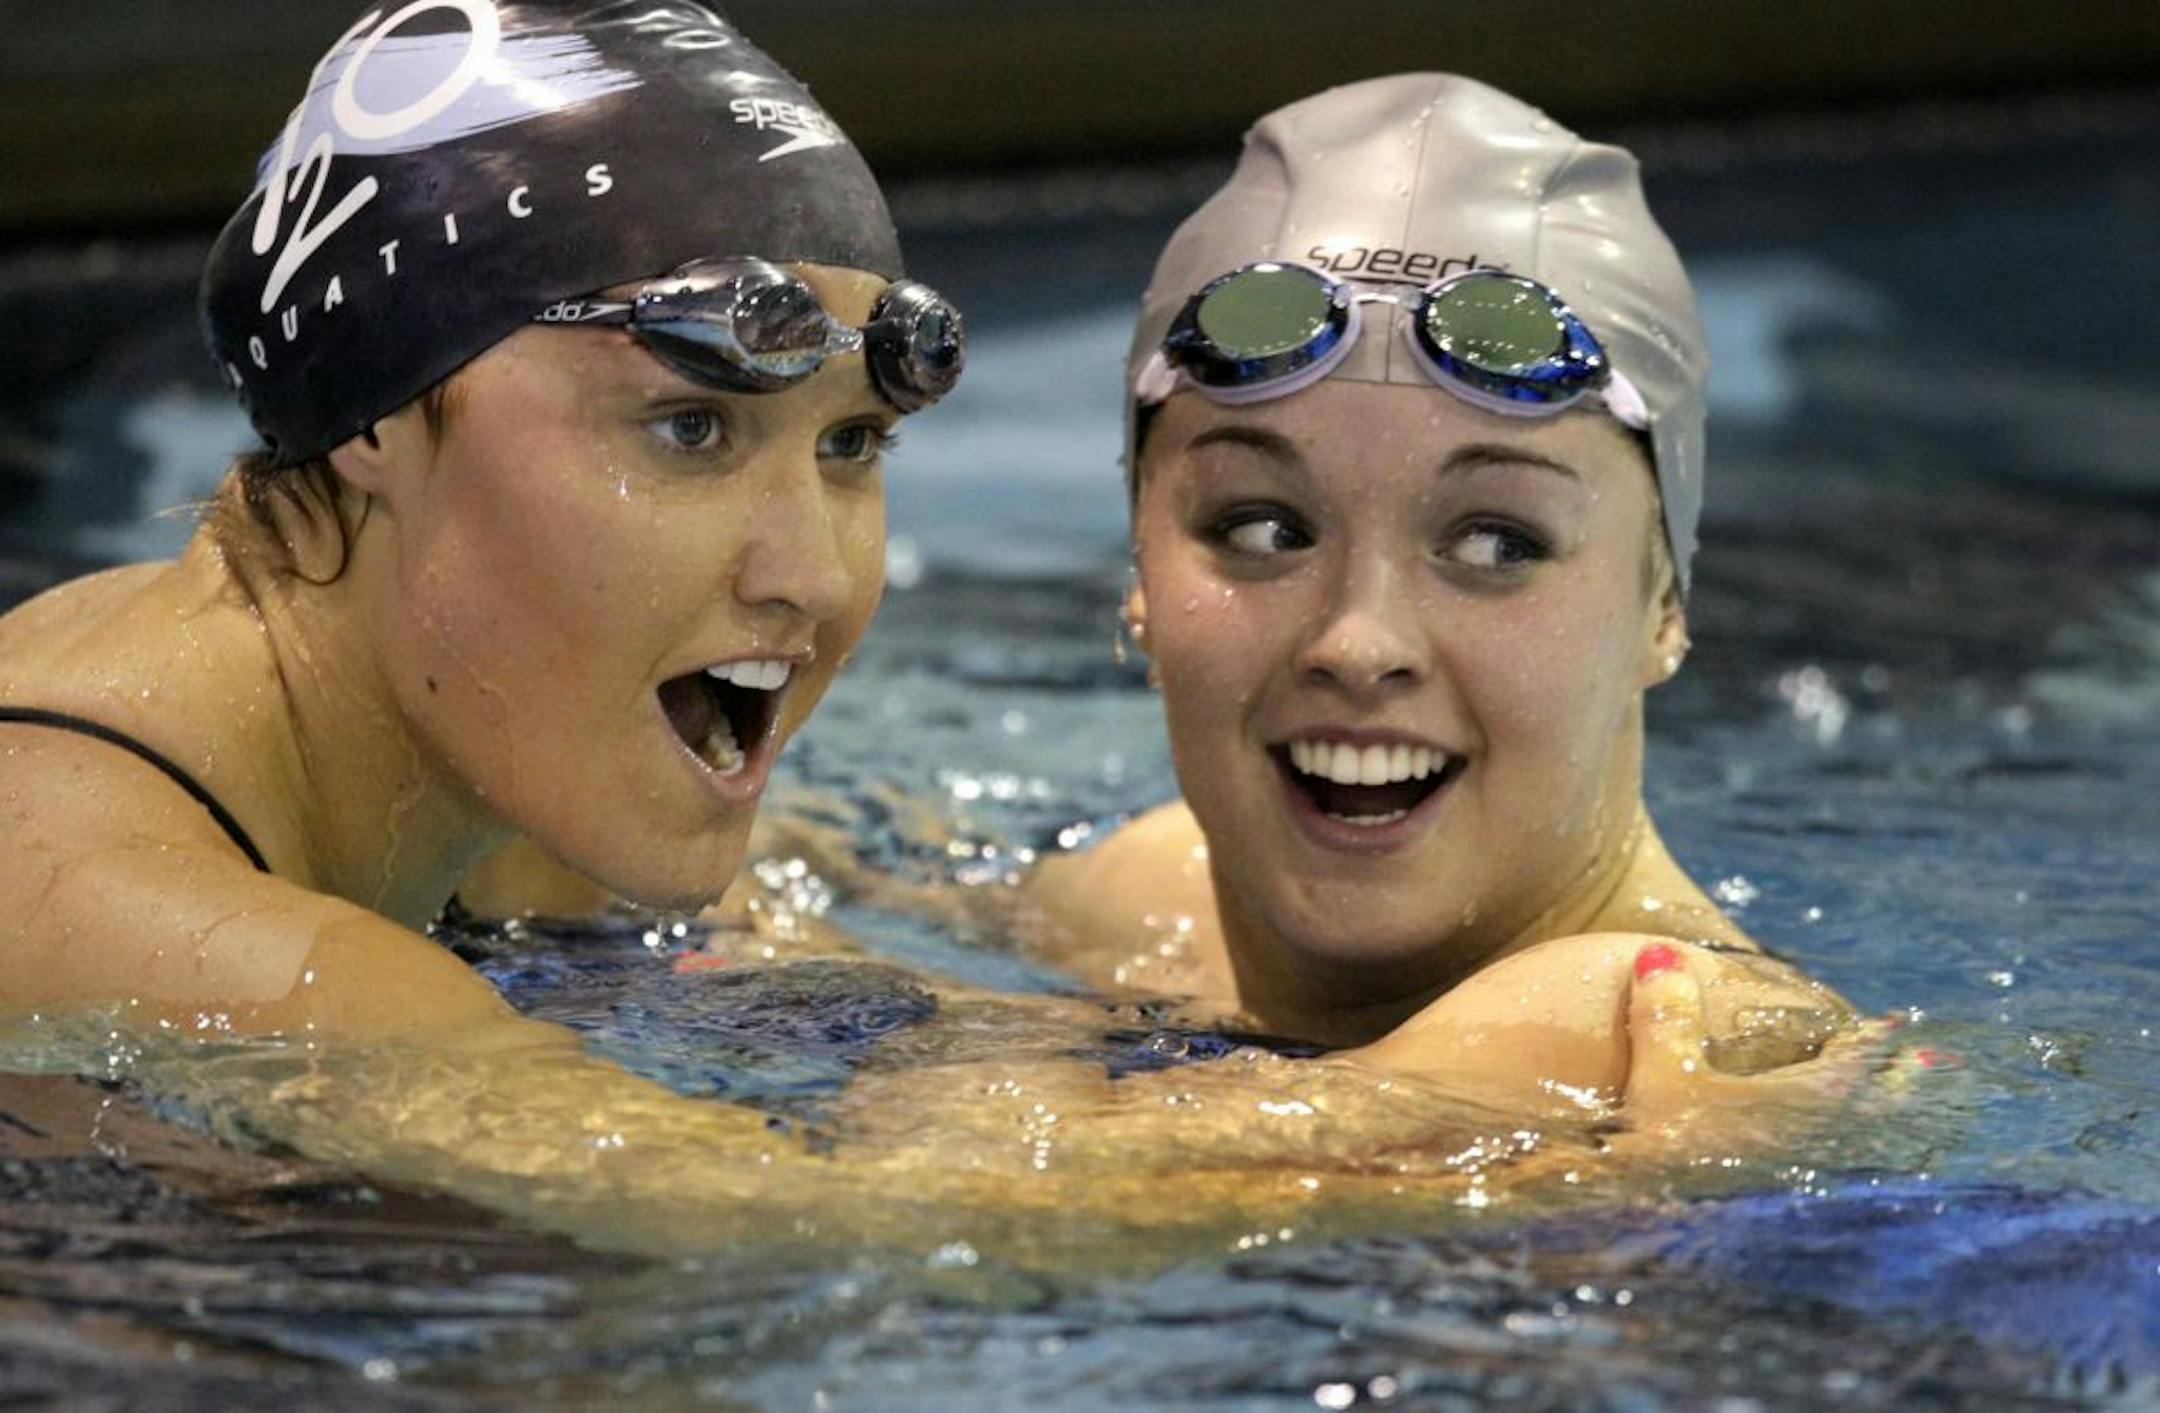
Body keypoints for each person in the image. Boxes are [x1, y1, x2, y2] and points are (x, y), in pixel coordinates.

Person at [1025, 74, 1857, 1090]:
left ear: (1665, 606)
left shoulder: (1662, 1032)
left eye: (1496, 545)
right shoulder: (1146, 896)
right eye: (1264, 528)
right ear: (1140, 572)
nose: (1358, 643)